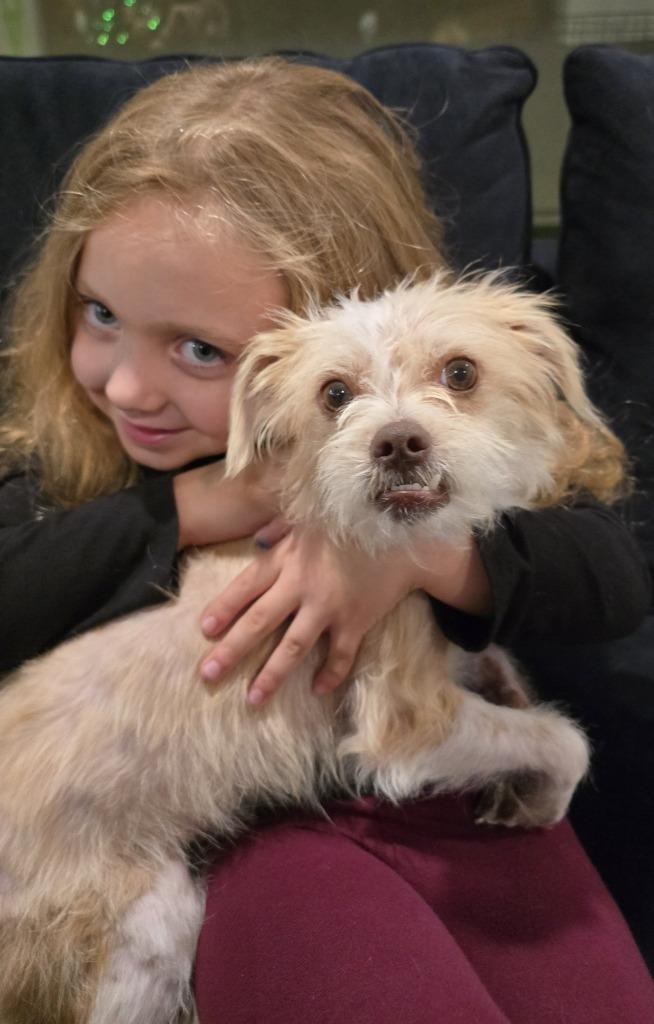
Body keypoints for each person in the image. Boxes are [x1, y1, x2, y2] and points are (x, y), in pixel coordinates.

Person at [0, 58, 651, 1023]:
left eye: (197, 349)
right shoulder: (52, 458)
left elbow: (608, 568)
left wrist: (405, 552)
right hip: (202, 831)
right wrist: (193, 505)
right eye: (99, 315)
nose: (128, 387)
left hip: (415, 789)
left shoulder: (423, 436)